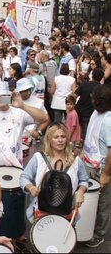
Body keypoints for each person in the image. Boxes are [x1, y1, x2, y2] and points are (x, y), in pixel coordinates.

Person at [20, 123, 88, 223]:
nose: (60, 140)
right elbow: (24, 178)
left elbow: (84, 180)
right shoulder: (39, 158)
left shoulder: (75, 161)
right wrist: (31, 188)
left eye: (63, 136)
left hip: (67, 214)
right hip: (41, 214)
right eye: (56, 137)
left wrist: (81, 191)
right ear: (49, 140)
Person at [82, 84, 111, 248]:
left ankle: (99, 234)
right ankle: (86, 226)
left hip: (101, 169)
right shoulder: (95, 113)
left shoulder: (108, 120)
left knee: (103, 203)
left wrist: (106, 174)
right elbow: (91, 136)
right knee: (88, 198)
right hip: (88, 163)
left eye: (92, 96)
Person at [75, 68, 103, 140]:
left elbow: (75, 95)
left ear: (92, 75)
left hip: (78, 109)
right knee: (87, 130)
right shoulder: (101, 88)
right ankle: (84, 144)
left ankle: (78, 141)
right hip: (89, 112)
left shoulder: (84, 84)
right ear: (101, 77)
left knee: (78, 127)